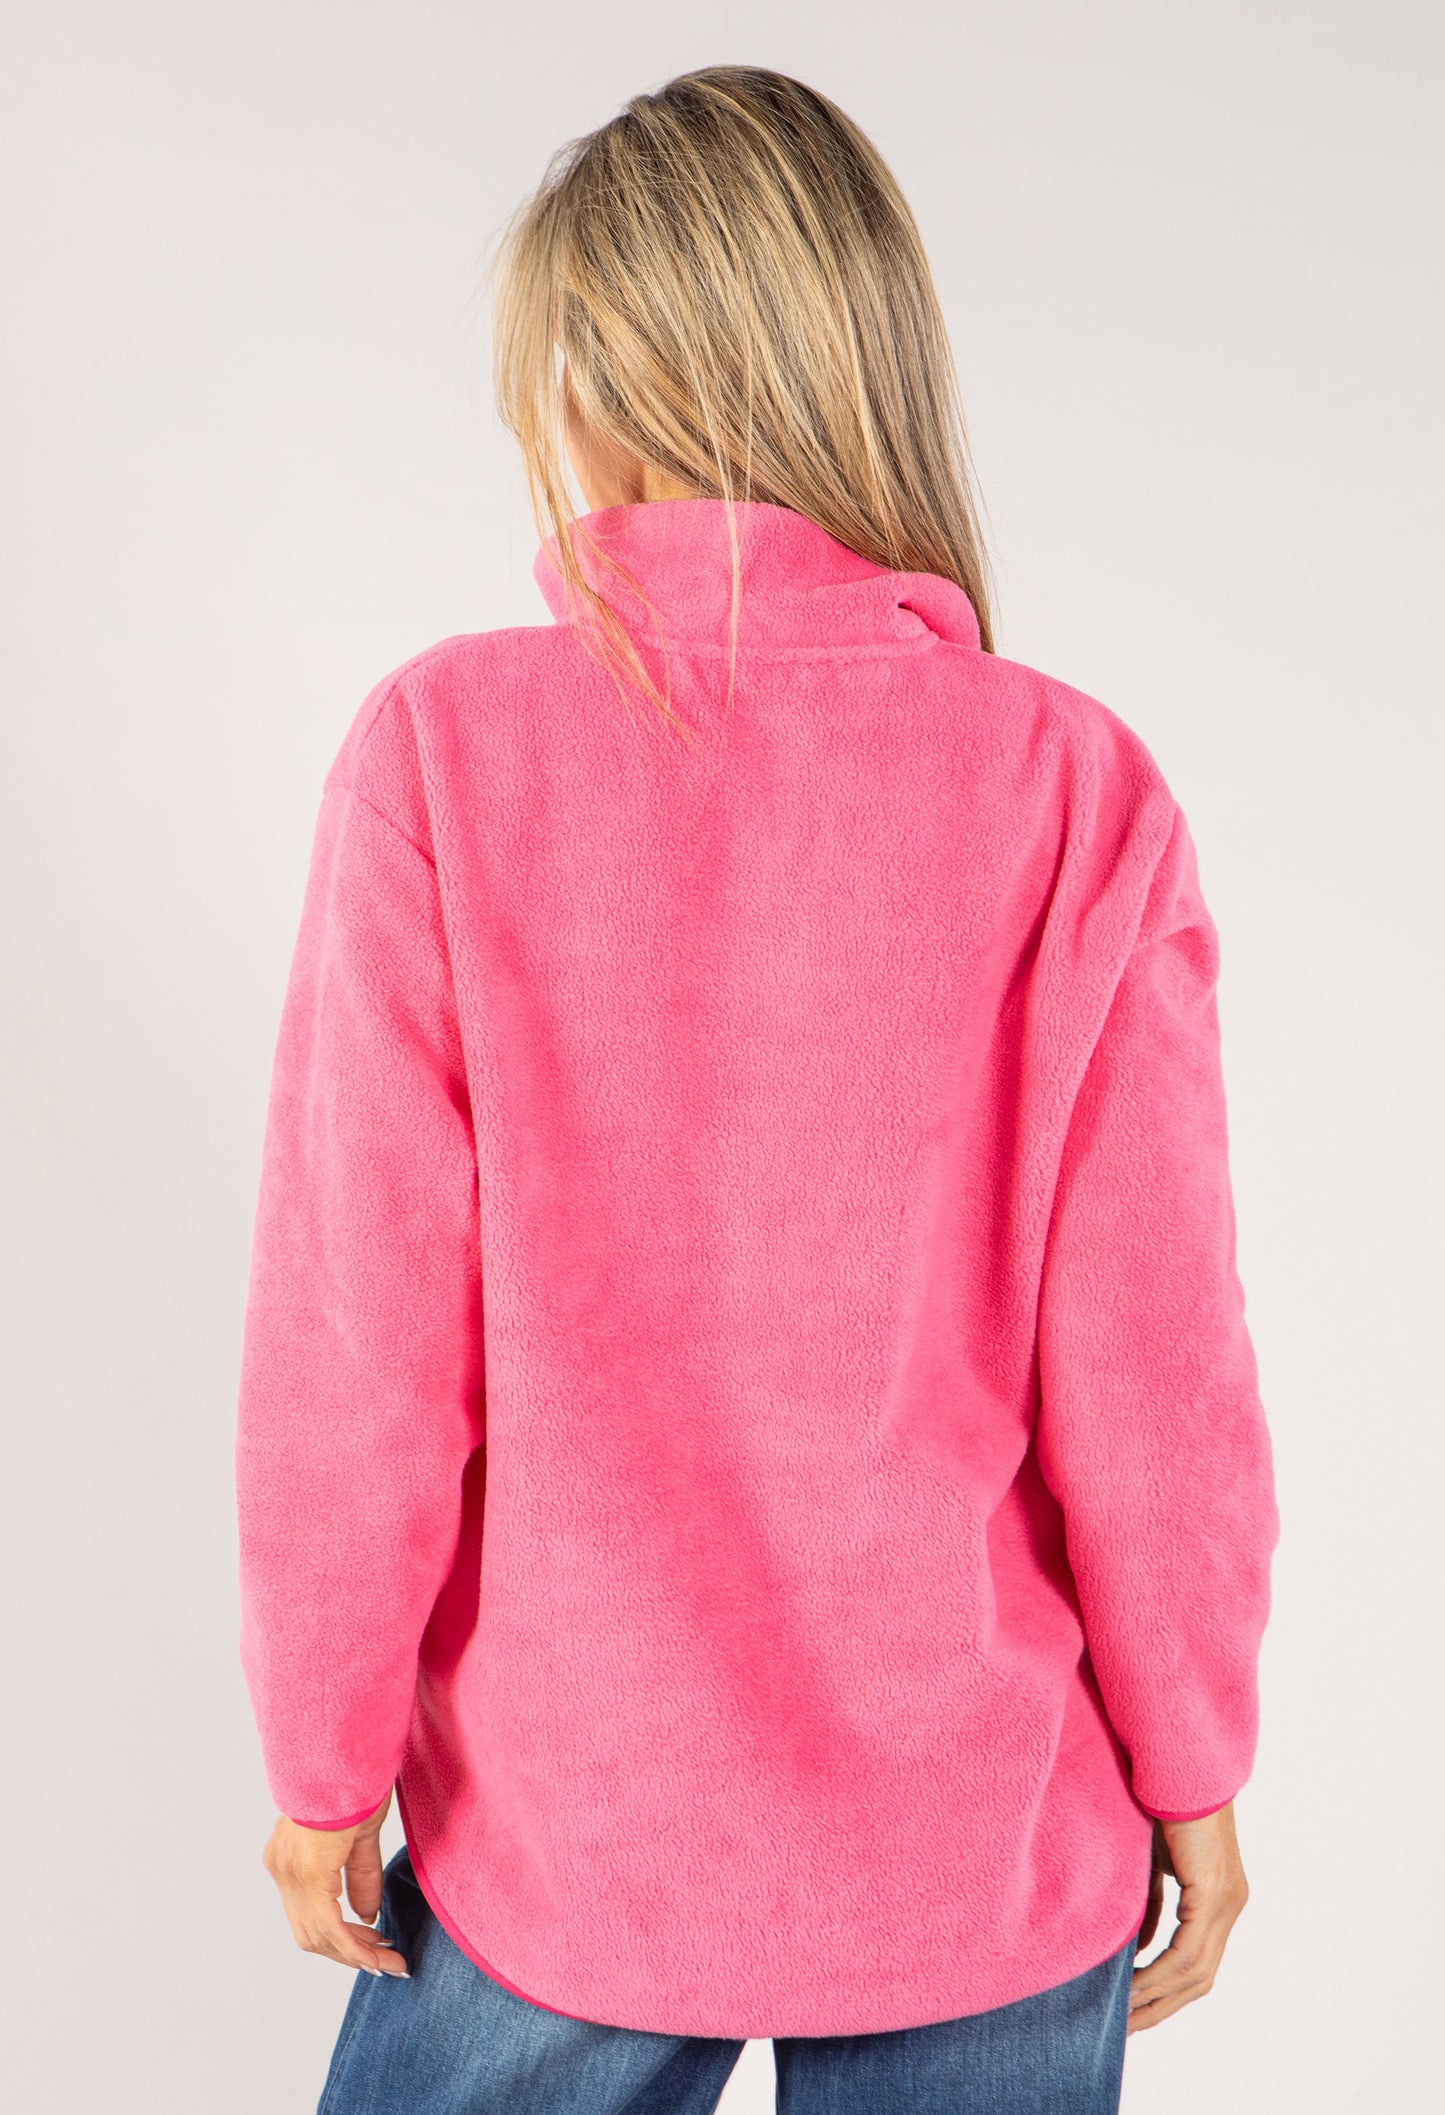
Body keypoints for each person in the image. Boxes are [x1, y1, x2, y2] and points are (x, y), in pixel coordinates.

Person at [235, 64, 1279, 2115]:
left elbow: (365, 1337)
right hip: (983, 1831)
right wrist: (1195, 1759)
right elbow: (1156, 1366)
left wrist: (321, 1752)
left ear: (585, 387)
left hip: (570, 1823)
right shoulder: (1072, 786)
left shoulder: (446, 753)